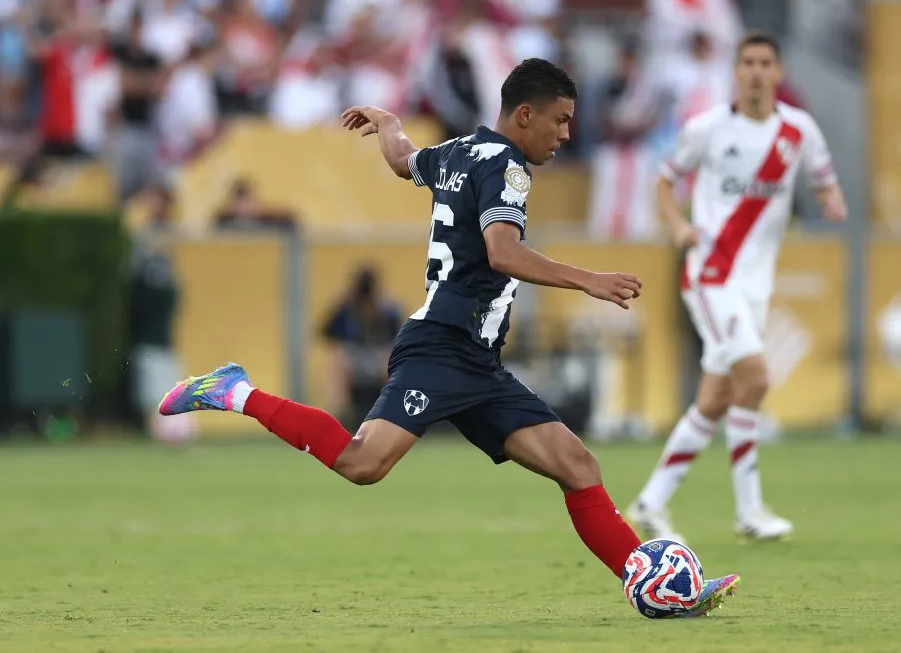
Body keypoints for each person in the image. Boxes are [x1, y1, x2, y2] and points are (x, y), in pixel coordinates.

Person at [157, 58, 739, 614]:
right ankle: (235, 391)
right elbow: (502, 252)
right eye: (560, 120)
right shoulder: (506, 168)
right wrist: (589, 279)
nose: (566, 135)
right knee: (363, 463)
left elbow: (402, 161)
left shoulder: (458, 152)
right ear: (525, 115)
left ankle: (656, 586)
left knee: (577, 465)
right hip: (441, 346)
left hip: (476, 361)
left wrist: (389, 123)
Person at [626, 32, 848, 543]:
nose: (755, 71)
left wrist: (832, 200)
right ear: (735, 71)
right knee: (756, 375)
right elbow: (663, 180)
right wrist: (678, 227)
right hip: (711, 273)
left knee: (715, 398)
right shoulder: (707, 129)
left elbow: (824, 179)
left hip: (755, 282)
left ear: (778, 72)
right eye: (747, 62)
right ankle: (750, 510)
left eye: (765, 63)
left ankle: (650, 501)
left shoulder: (798, 130)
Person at [321, 266, 403, 429]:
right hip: (354, 356)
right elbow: (327, 332)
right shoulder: (346, 309)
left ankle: (392, 411)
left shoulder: (387, 310)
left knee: (388, 359)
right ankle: (342, 414)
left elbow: (398, 337)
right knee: (339, 359)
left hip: (379, 356)